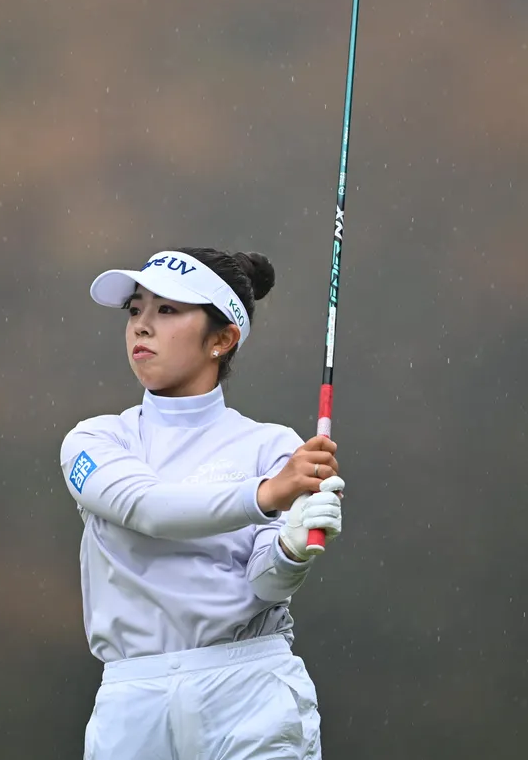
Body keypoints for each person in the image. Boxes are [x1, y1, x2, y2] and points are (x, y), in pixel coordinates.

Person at [60, 246, 346, 759]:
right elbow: (147, 509)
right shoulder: (96, 440)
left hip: (250, 691)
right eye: (135, 310)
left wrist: (291, 547)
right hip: (132, 704)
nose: (141, 326)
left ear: (221, 339)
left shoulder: (273, 447)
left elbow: (266, 584)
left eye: (167, 310)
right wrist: (266, 495)